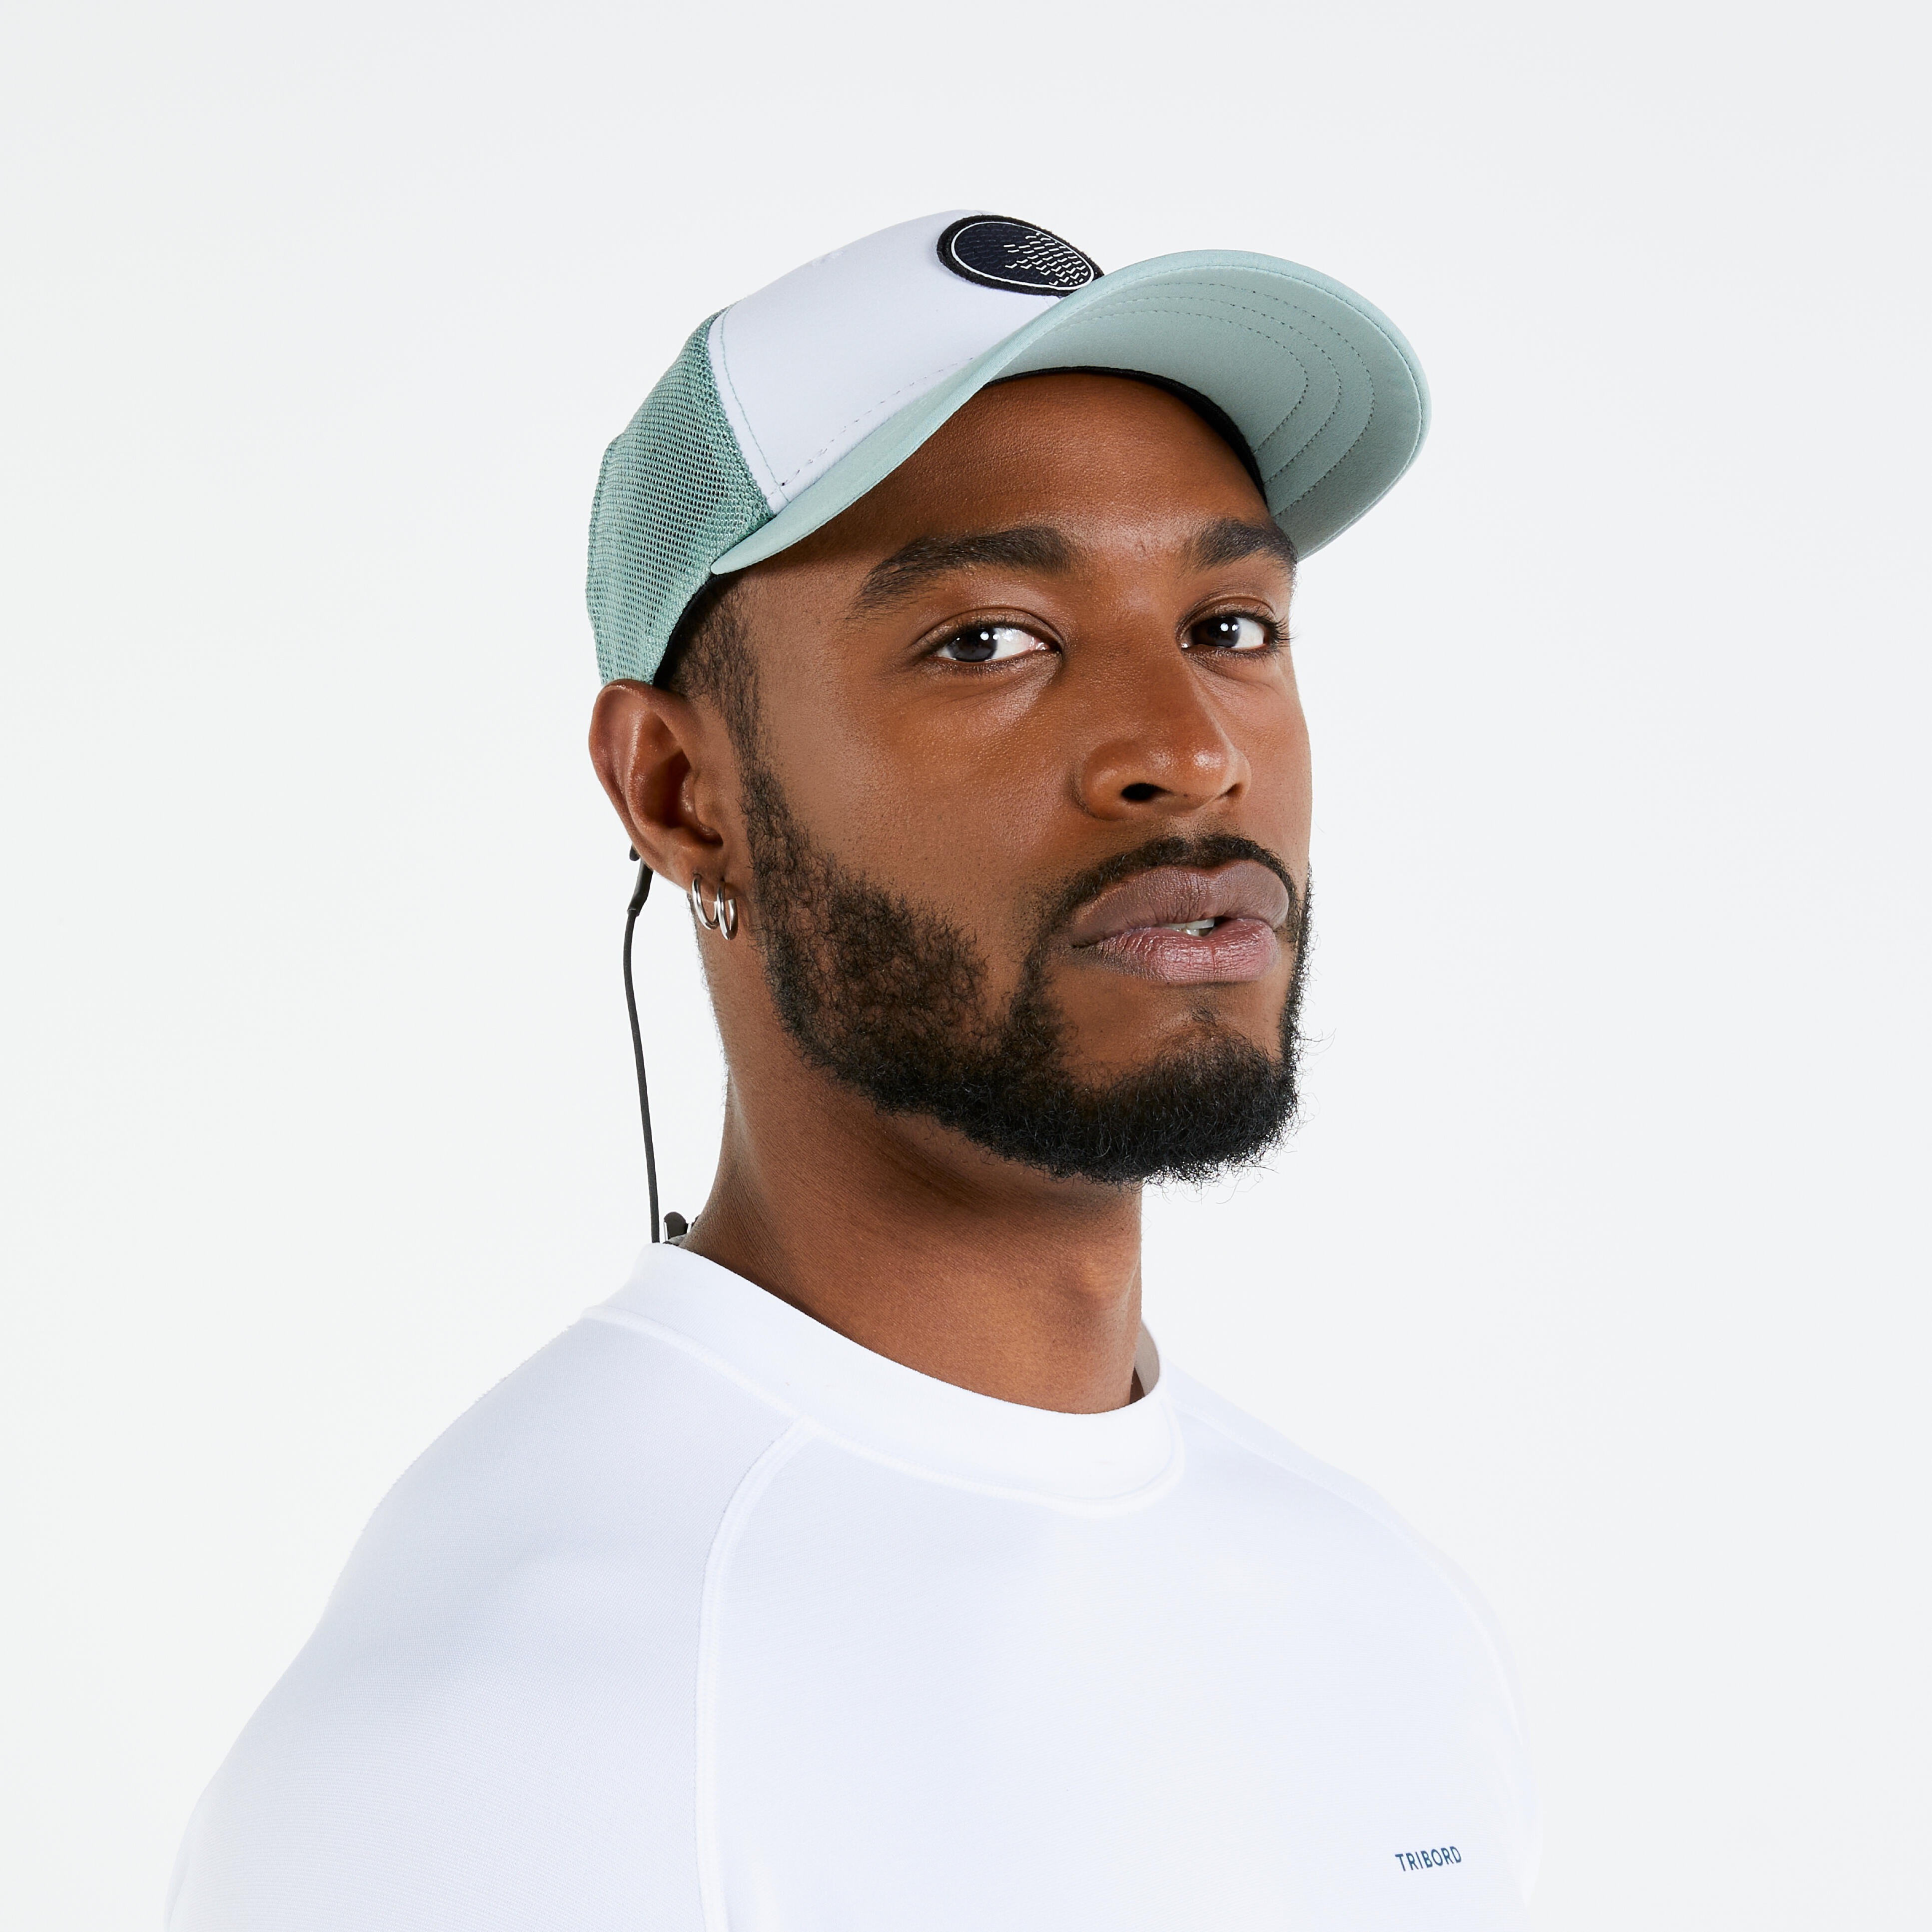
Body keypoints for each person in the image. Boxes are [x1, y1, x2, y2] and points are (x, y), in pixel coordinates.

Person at [167, 211, 1539, 1930]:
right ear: (679, 791)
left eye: (1229, 625)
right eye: (989, 640)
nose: (1186, 753)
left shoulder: (1381, 1612)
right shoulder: (517, 1730)